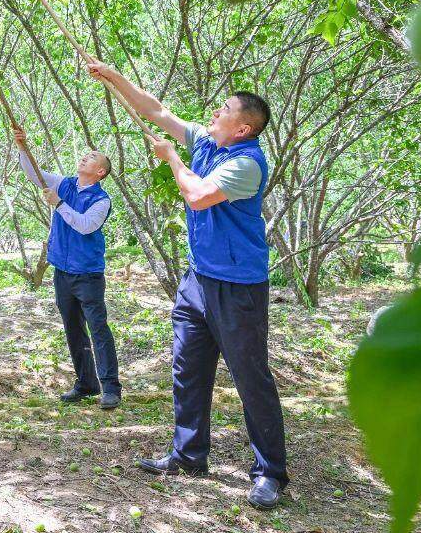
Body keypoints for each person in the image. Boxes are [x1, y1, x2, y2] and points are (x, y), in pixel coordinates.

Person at [88, 61, 287, 510]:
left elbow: (197, 196)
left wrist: (172, 159)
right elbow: (155, 110)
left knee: (251, 378)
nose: (216, 112)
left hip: (238, 288)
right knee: (188, 368)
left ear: (243, 128)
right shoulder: (207, 141)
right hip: (198, 280)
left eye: (226, 110)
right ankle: (189, 454)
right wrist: (112, 77)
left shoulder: (246, 163)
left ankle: (270, 472)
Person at [12, 127, 121, 410]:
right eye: (86, 155)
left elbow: (85, 226)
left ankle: (111, 387)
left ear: (100, 172)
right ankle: (86, 383)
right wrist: (23, 147)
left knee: (98, 329)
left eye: (93, 157)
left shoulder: (101, 200)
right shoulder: (65, 183)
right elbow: (34, 175)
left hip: (87, 274)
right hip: (62, 271)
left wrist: (58, 204)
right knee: (73, 328)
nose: (86, 157)